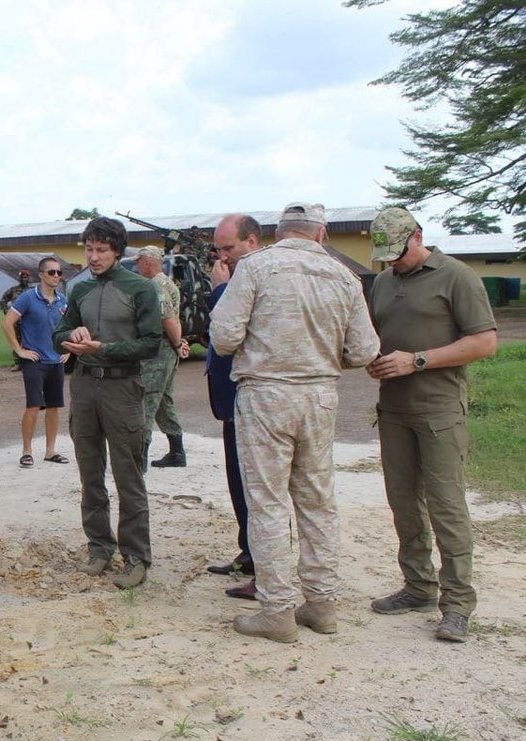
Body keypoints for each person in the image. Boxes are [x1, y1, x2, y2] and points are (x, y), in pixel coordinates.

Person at [210, 202, 380, 643]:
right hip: (320, 395)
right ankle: (322, 604)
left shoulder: (255, 267)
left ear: (279, 232)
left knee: (266, 503)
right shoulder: (344, 276)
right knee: (317, 501)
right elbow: (364, 351)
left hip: (266, 394)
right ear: (320, 233)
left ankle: (278, 609)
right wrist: (325, 356)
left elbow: (224, 337)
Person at [365, 207, 497, 643]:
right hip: (394, 410)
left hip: (439, 411)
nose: (391, 262)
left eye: (398, 253)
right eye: (384, 256)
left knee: (446, 507)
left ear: (418, 237)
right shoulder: (384, 282)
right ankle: (418, 586)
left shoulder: (457, 276)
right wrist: (376, 361)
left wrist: (417, 360)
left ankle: (457, 604)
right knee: (403, 504)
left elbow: (484, 342)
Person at [54, 217, 162, 589]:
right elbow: (59, 333)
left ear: (118, 251)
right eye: (89, 249)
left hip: (122, 387)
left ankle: (136, 556)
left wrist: (106, 349)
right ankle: (99, 548)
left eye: (101, 250)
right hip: (84, 386)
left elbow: (151, 343)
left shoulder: (141, 289)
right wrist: (72, 333)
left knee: (128, 473)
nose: (94, 257)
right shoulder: (80, 289)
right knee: (89, 472)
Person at [205, 214, 263, 600]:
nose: (223, 257)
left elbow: (232, 330)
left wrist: (220, 291)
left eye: (229, 248)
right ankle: (248, 551)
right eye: (219, 249)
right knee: (236, 480)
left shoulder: (256, 277)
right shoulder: (236, 275)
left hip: (249, 395)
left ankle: (262, 562)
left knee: (254, 484)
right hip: (229, 396)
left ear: (252, 242)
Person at [1, 256, 70, 467]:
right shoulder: (28, 298)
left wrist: (68, 350)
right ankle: (27, 450)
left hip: (55, 361)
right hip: (35, 361)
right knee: (33, 406)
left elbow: (68, 327)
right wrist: (19, 350)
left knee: (54, 407)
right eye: (51, 272)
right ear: (41, 275)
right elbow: (7, 323)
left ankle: (50, 451)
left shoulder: (63, 301)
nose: (56, 276)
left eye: (58, 272)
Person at [136, 245, 190, 469]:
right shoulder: (168, 283)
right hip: (166, 349)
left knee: (147, 400)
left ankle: (140, 457)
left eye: (139, 261)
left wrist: (177, 343)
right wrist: (178, 342)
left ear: (148, 262)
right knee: (163, 401)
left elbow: (166, 317)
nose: (136, 265)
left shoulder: (155, 285)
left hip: (158, 351)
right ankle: (176, 451)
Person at [0, 269, 32, 370]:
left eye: (26, 277)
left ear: (29, 279)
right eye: (22, 277)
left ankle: (30, 361)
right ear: (19, 278)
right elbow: (3, 300)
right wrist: (7, 312)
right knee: (16, 340)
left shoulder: (33, 290)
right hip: (16, 321)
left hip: (30, 322)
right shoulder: (13, 290)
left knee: (30, 340)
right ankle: (18, 363)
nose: (24, 279)